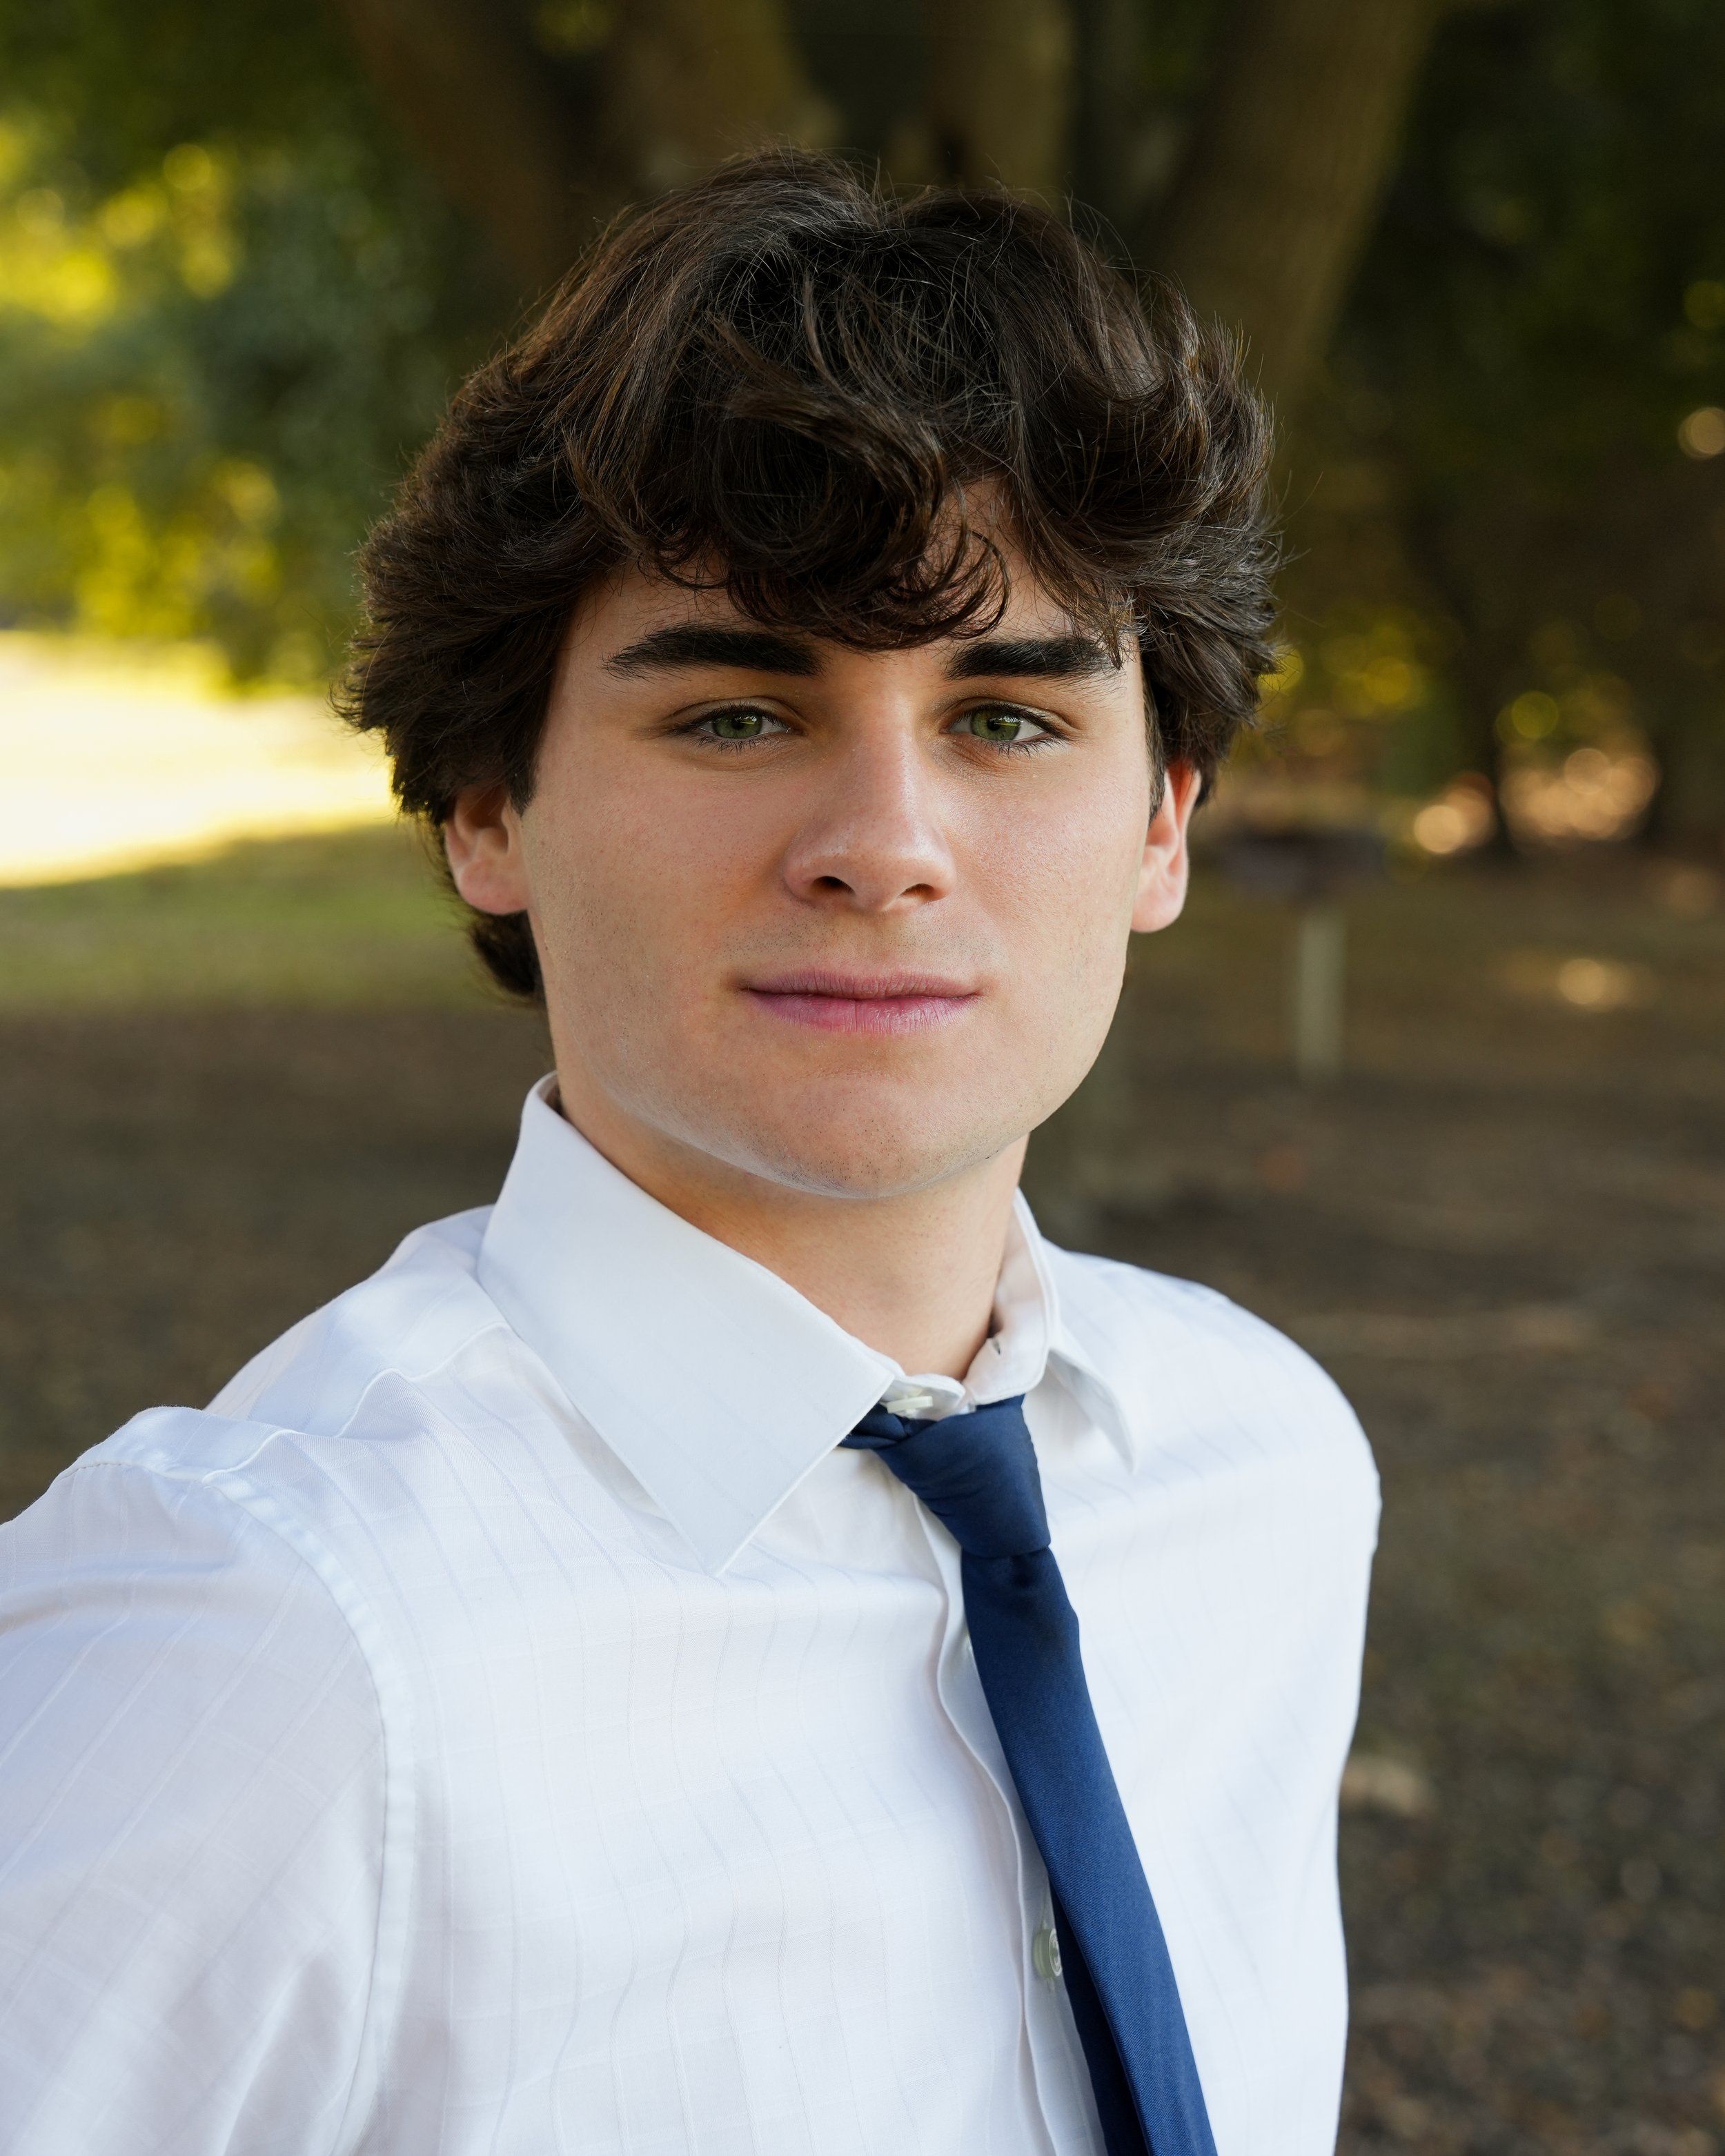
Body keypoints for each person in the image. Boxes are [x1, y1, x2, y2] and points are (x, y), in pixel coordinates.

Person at [0, 153, 1377, 2156]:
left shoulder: (1258, 1465)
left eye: (1006, 720)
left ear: (1163, 818)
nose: (885, 840)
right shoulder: (272, 1645)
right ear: (486, 807)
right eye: (739, 713)